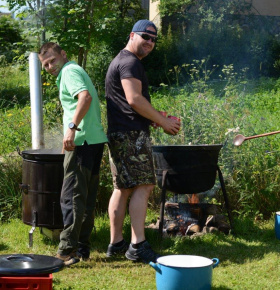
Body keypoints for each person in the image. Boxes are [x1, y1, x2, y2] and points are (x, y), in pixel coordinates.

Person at [105, 20, 181, 263]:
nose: (149, 42)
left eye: (153, 39)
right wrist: (164, 122)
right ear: (132, 35)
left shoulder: (120, 60)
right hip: (131, 136)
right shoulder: (130, 62)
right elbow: (134, 99)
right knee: (144, 185)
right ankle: (137, 245)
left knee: (122, 188)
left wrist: (155, 119)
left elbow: (132, 104)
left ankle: (116, 243)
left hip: (120, 133)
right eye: (145, 36)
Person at [38, 42, 108, 265]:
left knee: (71, 197)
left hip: (83, 140)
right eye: (45, 64)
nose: (49, 67)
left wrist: (71, 128)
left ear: (63, 55)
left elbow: (84, 98)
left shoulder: (69, 71)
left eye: (52, 60)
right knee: (85, 198)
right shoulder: (74, 71)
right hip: (93, 141)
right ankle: (82, 249)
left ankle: (67, 250)